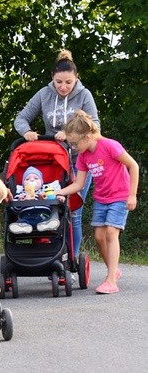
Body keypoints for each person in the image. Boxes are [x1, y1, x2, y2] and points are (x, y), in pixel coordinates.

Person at [14, 49, 99, 258]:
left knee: (73, 212)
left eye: (69, 82)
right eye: (59, 82)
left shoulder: (84, 95)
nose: (63, 87)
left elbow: (95, 126)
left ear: (76, 79)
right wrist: (27, 132)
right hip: (53, 160)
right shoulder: (44, 94)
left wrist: (71, 134)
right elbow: (21, 118)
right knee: (49, 205)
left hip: (79, 161)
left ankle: (71, 258)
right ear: (52, 77)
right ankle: (50, 254)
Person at [56, 111, 139, 294]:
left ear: (87, 136)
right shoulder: (84, 156)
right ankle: (114, 270)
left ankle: (111, 281)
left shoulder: (110, 146)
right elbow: (78, 184)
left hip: (119, 196)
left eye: (75, 143)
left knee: (111, 233)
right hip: (101, 199)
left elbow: (133, 165)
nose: (73, 147)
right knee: (99, 237)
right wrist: (58, 192)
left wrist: (132, 195)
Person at [8, 166, 61, 234]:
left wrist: (44, 200)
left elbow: (53, 204)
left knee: (46, 219)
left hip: (43, 215)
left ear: (42, 183)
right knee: (22, 221)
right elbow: (13, 209)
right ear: (23, 184)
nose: (32, 180)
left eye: (36, 178)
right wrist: (20, 201)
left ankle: (46, 225)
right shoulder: (20, 194)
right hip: (26, 215)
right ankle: (22, 227)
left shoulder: (44, 192)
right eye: (27, 179)